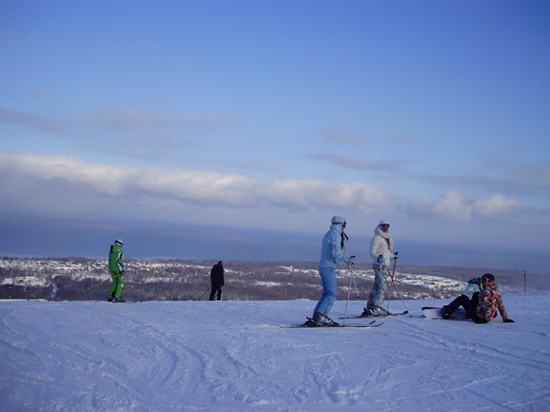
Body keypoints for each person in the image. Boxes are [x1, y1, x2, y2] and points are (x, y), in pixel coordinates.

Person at [309, 216, 349, 326]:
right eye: (344, 225)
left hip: (323, 266)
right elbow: (335, 252)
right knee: (332, 293)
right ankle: (321, 316)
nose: (345, 228)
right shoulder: (336, 235)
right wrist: (347, 260)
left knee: (326, 293)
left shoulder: (329, 233)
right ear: (341, 225)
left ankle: (318, 315)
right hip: (328, 267)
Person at [442, 273, 514, 323]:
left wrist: (482, 319)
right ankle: (470, 313)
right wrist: (505, 318)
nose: (482, 282)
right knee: (476, 294)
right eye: (482, 280)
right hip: (486, 315)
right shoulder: (496, 292)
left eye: (484, 280)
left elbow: (488, 304)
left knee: (462, 298)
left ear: (490, 281)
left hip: (479, 316)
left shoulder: (486, 291)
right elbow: (501, 306)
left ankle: (447, 312)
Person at [362, 220, 398, 317]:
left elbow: (385, 253)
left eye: (387, 226)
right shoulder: (377, 238)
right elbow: (372, 251)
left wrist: (392, 256)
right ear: (380, 227)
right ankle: (376, 307)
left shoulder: (386, 238)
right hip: (379, 265)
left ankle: (371, 306)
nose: (385, 228)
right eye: (383, 226)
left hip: (384, 265)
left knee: (377, 286)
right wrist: (378, 258)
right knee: (382, 286)